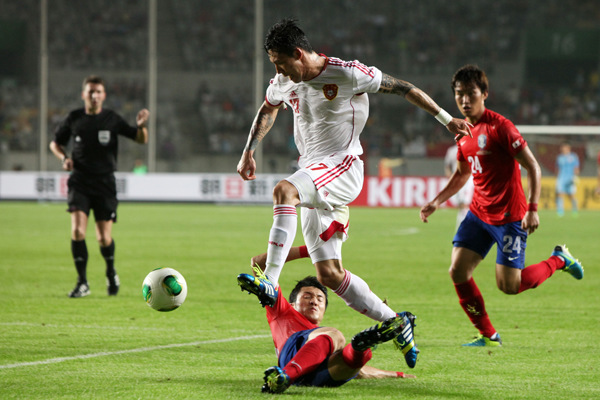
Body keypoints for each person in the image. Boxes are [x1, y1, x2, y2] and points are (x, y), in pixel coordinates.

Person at [236, 18, 472, 367]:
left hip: (343, 166)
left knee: (284, 190)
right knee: (329, 274)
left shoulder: (347, 74)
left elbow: (403, 87)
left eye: (279, 61)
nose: (277, 68)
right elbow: (268, 106)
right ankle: (397, 321)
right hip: (314, 171)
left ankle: (270, 281)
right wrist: (249, 149)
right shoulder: (286, 80)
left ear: (298, 54)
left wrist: (445, 119)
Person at [419, 64, 584, 346]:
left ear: (485, 94)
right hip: (478, 213)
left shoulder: (501, 127)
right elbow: (462, 174)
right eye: (460, 94)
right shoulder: (461, 132)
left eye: (471, 93)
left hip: (509, 217)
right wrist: (436, 200)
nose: (465, 100)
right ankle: (489, 336)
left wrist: (532, 209)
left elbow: (533, 167)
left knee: (509, 286)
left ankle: (559, 260)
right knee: (457, 271)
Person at [49, 75, 149, 298]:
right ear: (84, 94)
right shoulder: (74, 118)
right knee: (77, 231)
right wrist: (64, 159)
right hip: (80, 182)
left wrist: (141, 127)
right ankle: (82, 282)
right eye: (90, 91)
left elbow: (140, 139)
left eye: (98, 92)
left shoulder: (112, 119)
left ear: (103, 95)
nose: (94, 95)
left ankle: (111, 272)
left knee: (103, 238)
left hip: (104, 184)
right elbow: (55, 143)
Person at [237, 270, 416, 394]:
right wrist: (309, 251)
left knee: (351, 364)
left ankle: (362, 346)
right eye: (307, 297)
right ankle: (285, 375)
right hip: (291, 355)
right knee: (335, 337)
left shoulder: (322, 335)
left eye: (320, 299)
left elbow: (362, 372)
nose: (314, 301)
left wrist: (396, 374)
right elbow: (261, 263)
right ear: (292, 304)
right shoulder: (282, 311)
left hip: (308, 377)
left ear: (324, 309)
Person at [444, 144, 474, 230]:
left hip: (468, 179)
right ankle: (463, 227)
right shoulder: (451, 150)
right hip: (457, 179)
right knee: (461, 205)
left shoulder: (470, 147)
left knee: (465, 204)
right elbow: (447, 166)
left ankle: (464, 228)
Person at [555, 141, 580, 217]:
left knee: (571, 195)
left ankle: (575, 210)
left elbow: (576, 168)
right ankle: (560, 211)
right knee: (560, 194)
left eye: (565, 147)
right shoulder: (560, 158)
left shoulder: (573, 157)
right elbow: (557, 169)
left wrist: (575, 177)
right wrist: (557, 177)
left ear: (568, 148)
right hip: (561, 178)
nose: (563, 149)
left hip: (570, 178)